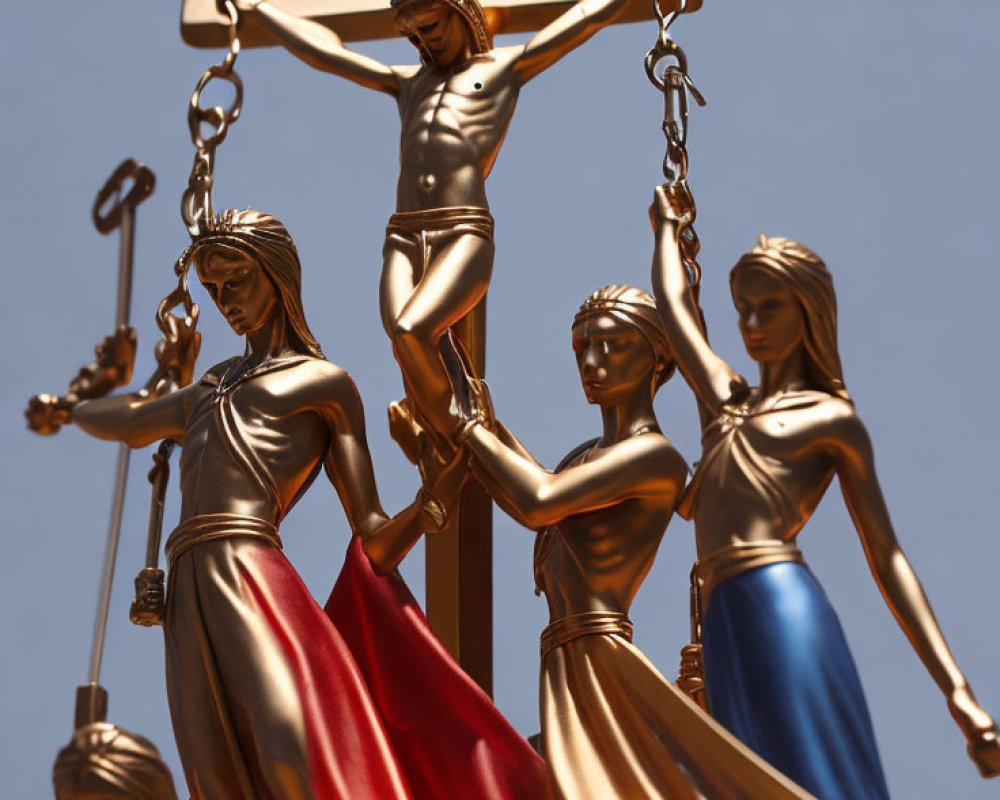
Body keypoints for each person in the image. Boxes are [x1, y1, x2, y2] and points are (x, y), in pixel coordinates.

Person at [27, 209, 549, 800]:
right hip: (187, 594)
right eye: (214, 290)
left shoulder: (322, 384)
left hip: (253, 579)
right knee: (213, 772)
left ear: (276, 275)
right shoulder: (205, 390)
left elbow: (373, 537)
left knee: (287, 751)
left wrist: (435, 499)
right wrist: (71, 408)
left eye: (237, 281)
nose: (226, 301)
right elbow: (130, 422)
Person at [648, 183, 1000, 799]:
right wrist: (665, 229)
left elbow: (887, 557)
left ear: (807, 310)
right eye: (743, 310)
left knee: (812, 769)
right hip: (726, 618)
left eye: (770, 308)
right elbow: (676, 316)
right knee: (746, 779)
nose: (751, 326)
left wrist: (958, 692)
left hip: (777, 602)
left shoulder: (831, 422)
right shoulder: (728, 402)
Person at [450, 284, 815, 799]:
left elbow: (537, 500)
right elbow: (526, 491)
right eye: (582, 348)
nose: (592, 362)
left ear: (658, 359)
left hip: (600, 658)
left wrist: (469, 432)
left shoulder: (655, 459)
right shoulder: (585, 456)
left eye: (612, 345)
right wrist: (478, 416)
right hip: (565, 659)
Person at [234, 0, 631, 444]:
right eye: (413, 36)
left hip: (462, 229)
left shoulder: (505, 68)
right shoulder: (409, 84)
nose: (424, 41)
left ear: (459, 11)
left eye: (430, 26)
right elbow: (329, 52)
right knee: (406, 345)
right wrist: (257, 10)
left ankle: (467, 440)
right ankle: (441, 440)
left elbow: (582, 18)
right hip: (403, 235)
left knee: (412, 329)